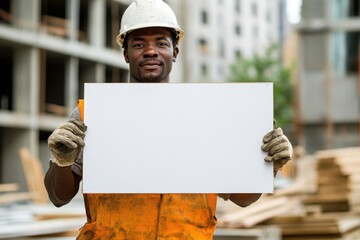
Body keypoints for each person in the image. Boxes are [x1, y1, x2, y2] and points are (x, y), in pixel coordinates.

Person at [44, 0, 293, 239]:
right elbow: (59, 197)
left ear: (174, 51)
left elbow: (242, 198)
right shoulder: (94, 114)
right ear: (126, 54)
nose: (150, 51)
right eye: (139, 44)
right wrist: (62, 162)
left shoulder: (207, 114)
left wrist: (265, 166)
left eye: (161, 43)